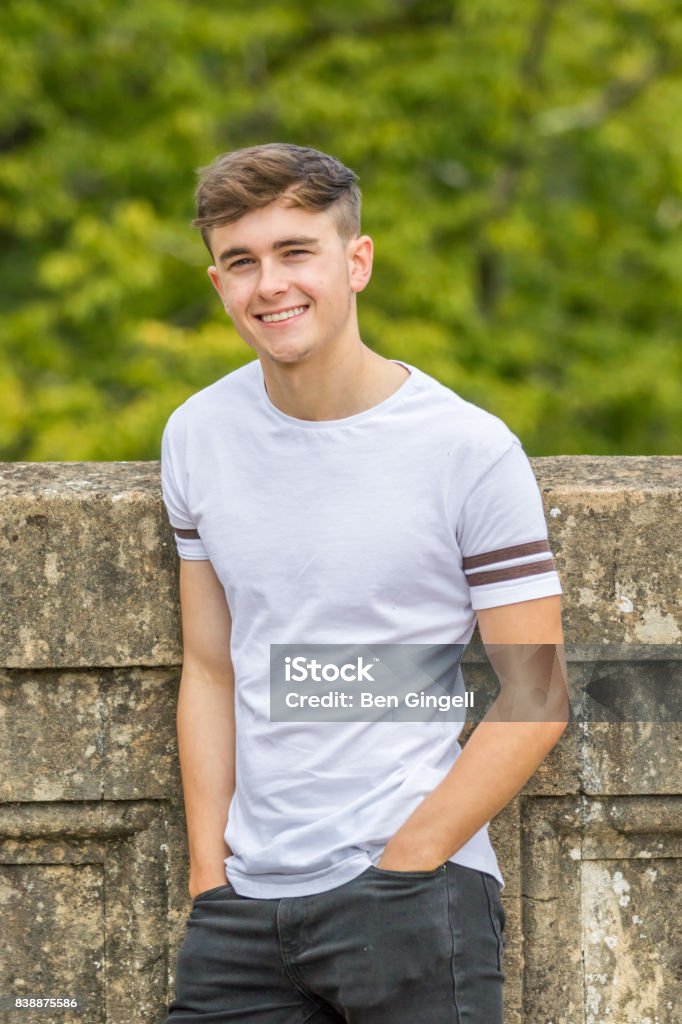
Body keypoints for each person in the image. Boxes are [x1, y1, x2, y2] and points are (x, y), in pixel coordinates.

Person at [160, 143, 568, 1023]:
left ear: (357, 261)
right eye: (242, 262)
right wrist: (210, 879)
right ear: (219, 283)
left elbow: (536, 692)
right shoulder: (197, 435)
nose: (269, 284)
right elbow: (212, 668)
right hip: (242, 914)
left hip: (412, 898)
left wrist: (409, 861)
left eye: (295, 251)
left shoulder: (468, 449)